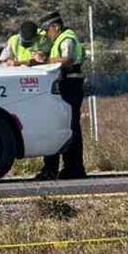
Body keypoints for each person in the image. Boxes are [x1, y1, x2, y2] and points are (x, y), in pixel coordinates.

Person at [36, 11, 87, 180]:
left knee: (69, 127)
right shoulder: (57, 39)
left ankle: (74, 169)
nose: (46, 35)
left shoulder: (67, 38)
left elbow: (68, 60)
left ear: (55, 27)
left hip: (70, 86)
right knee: (58, 126)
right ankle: (53, 169)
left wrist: (45, 60)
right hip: (62, 85)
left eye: (47, 31)